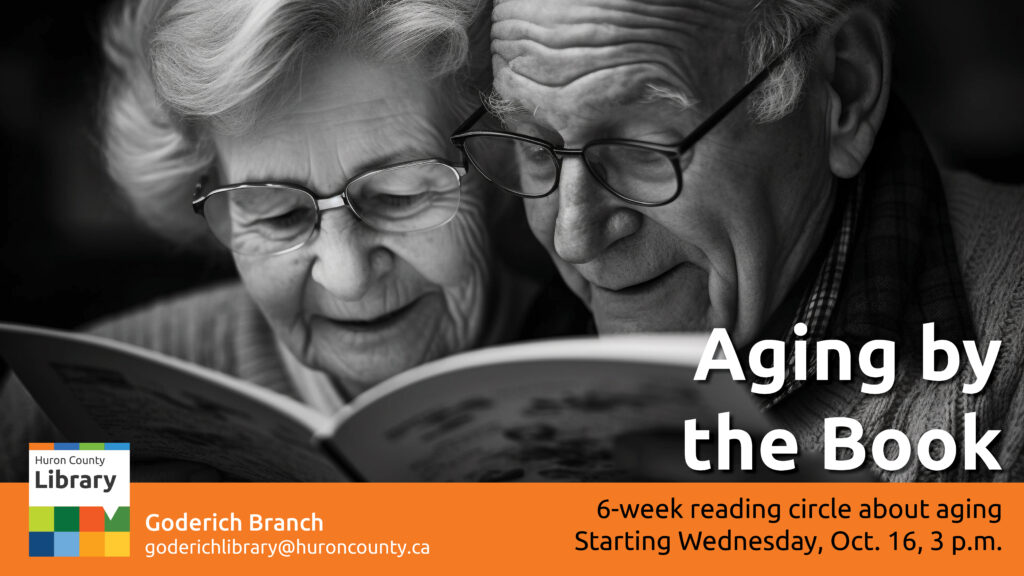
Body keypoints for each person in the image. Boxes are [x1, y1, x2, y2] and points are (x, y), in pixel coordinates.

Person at [0, 0, 588, 481]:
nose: (346, 276)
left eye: (399, 197)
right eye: (279, 215)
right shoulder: (72, 417)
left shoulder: (637, 393)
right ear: (217, 209)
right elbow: (59, 555)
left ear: (496, 167)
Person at [451, 0, 1024, 481]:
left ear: (844, 93)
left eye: (644, 148)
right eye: (533, 144)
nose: (573, 237)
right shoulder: (505, 337)